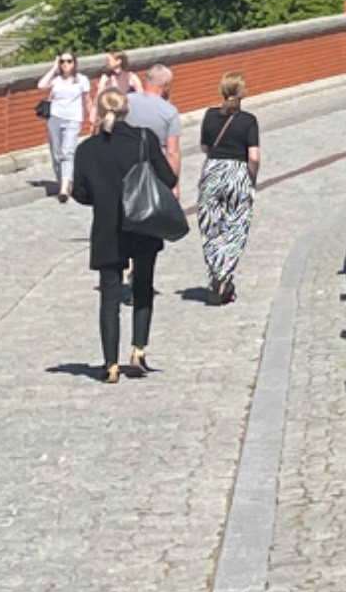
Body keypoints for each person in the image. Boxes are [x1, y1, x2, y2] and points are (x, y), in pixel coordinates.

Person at [71, 88, 176, 383]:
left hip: (107, 226)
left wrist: (103, 196)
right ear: (127, 109)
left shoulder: (87, 149)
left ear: (100, 111)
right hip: (142, 222)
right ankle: (138, 350)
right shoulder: (144, 139)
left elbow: (80, 193)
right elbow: (169, 178)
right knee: (142, 286)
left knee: (109, 295)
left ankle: (110, 364)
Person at [196, 70, 261, 305]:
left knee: (211, 225)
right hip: (238, 173)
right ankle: (224, 279)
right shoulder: (248, 121)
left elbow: (204, 146)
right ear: (242, 93)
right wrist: (251, 179)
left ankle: (216, 275)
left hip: (213, 171)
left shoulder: (210, 116)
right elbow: (253, 157)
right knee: (235, 227)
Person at [36, 51, 93, 202]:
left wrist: (92, 114)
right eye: (62, 62)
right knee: (56, 153)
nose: (65, 64)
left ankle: (64, 188)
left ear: (74, 63)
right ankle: (62, 179)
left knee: (67, 152)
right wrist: (54, 67)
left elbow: (87, 100)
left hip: (73, 119)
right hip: (55, 117)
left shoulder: (82, 80)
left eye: (68, 61)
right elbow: (41, 85)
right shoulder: (56, 80)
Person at [123, 63, 181, 178]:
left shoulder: (126, 101)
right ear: (166, 85)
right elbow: (172, 152)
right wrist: (174, 183)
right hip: (155, 168)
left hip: (126, 164)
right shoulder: (170, 111)